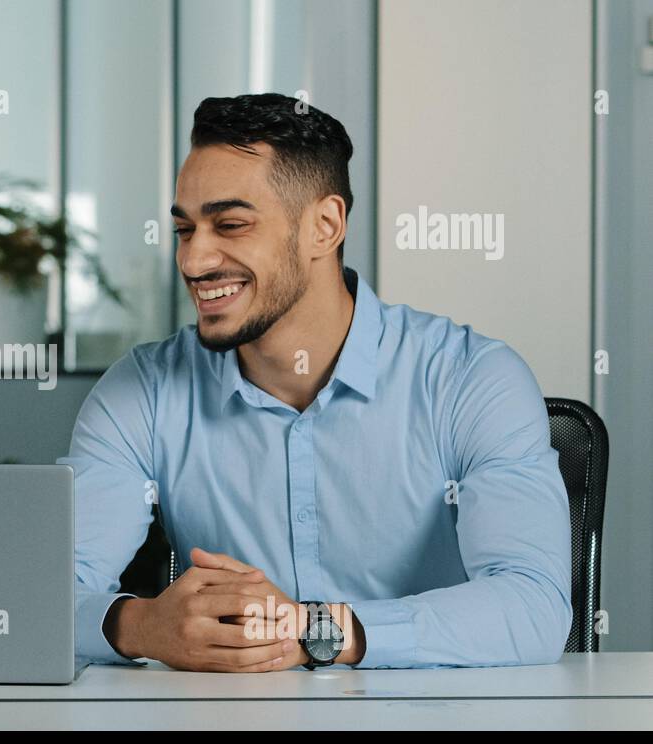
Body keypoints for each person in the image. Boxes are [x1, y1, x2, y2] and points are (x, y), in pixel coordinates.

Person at [63, 93, 571, 672]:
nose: (194, 260)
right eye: (185, 229)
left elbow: (533, 606)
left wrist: (312, 630)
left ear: (324, 227)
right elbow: (35, 597)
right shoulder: (143, 391)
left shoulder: (472, 379)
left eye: (230, 224)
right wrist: (140, 625)